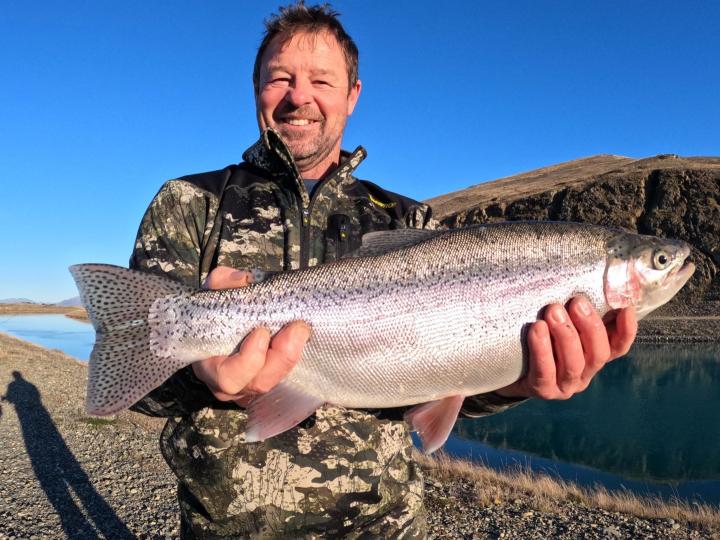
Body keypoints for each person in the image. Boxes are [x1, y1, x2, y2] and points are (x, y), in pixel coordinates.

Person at [129, 3, 637, 538]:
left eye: (321, 80)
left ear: (352, 95)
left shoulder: (408, 219)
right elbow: (141, 386)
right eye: (280, 78)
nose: (299, 96)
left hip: (384, 526)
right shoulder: (190, 203)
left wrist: (521, 384)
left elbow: (446, 382)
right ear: (255, 87)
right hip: (226, 527)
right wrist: (203, 379)